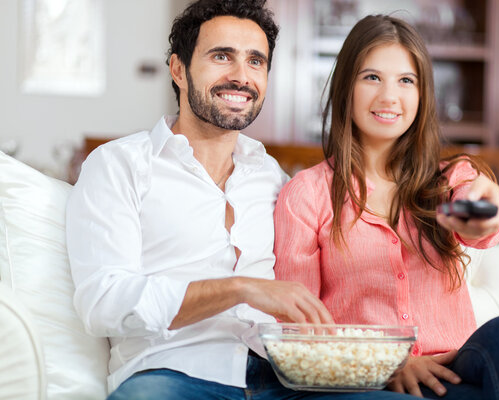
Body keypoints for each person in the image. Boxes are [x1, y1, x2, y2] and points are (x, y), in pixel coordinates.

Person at [66, 2, 422, 399]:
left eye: (256, 61)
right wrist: (238, 288)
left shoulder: (277, 181)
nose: (240, 76)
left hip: (288, 380)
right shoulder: (120, 166)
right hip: (173, 374)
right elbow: (104, 302)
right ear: (178, 69)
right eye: (222, 56)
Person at [273, 14, 499, 400]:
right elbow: (301, 333)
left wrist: (482, 214)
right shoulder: (307, 194)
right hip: (363, 386)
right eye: (371, 77)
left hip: (451, 376)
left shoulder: (444, 183)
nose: (389, 97)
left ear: (422, 94)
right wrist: (387, 364)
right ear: (346, 86)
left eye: (406, 80)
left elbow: (471, 219)